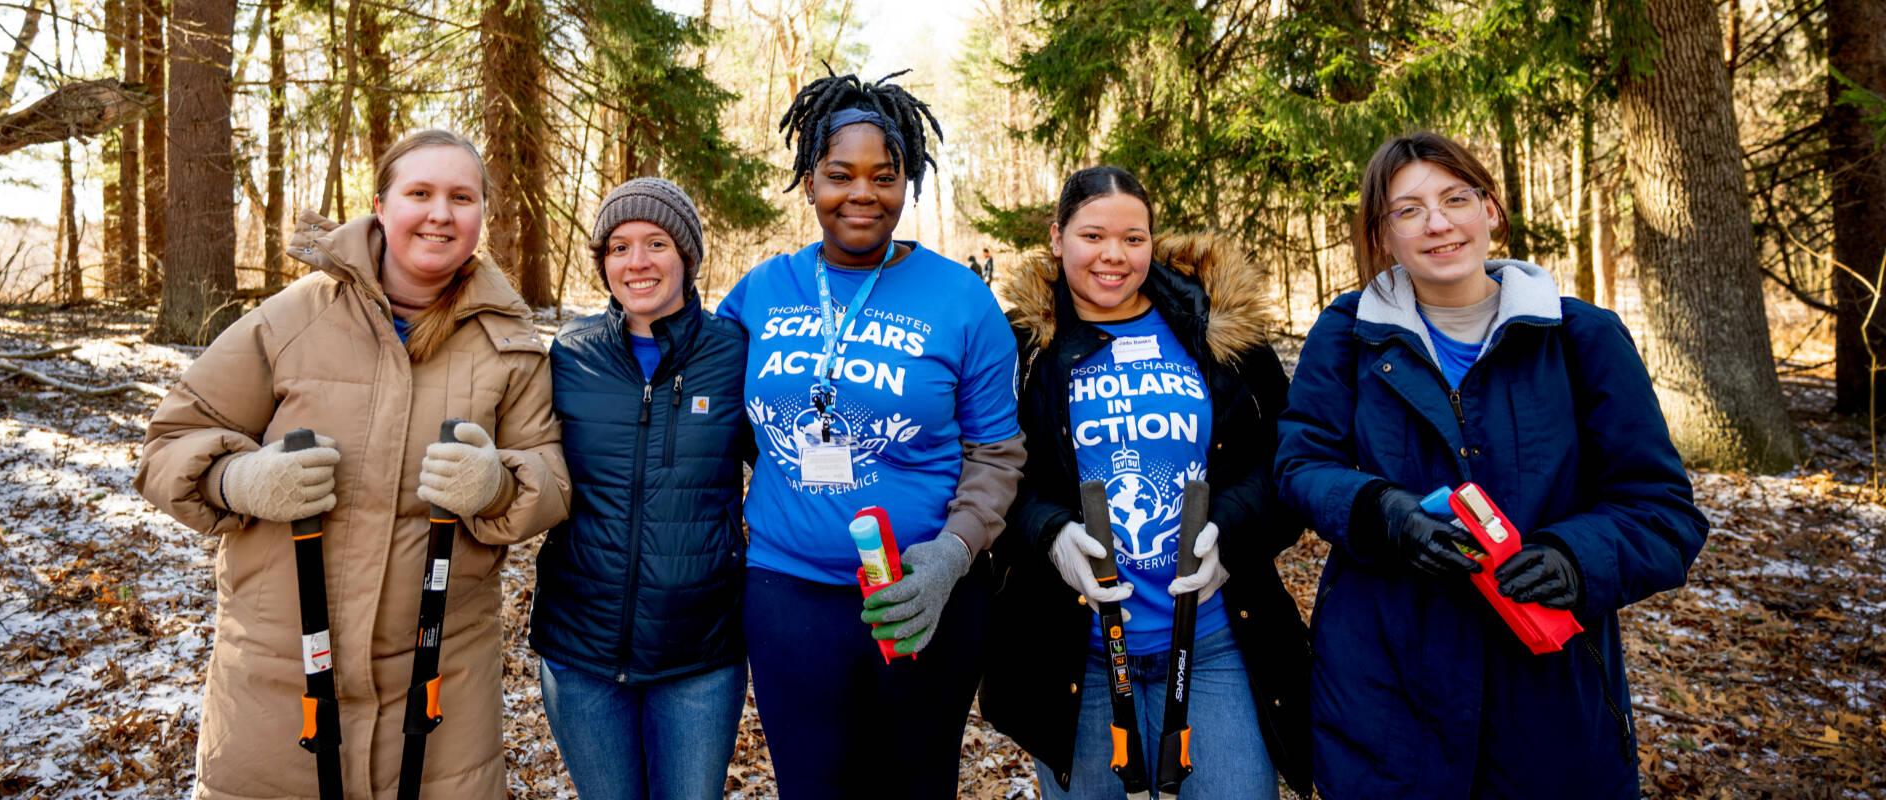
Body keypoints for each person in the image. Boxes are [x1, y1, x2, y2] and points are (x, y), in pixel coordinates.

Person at [136, 129, 572, 798]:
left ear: (482, 213)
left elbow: (551, 478)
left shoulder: (510, 345)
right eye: (419, 193)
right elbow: (169, 443)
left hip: (440, 692)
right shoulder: (290, 320)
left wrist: (496, 486)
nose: (440, 213)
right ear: (379, 205)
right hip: (278, 686)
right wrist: (238, 479)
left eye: (461, 197)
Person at [1275, 131, 1708, 799]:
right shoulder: (1347, 334)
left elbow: (1663, 512)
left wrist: (1573, 558)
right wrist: (1384, 512)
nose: (1439, 223)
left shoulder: (1579, 338)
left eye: (1456, 198)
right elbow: (1301, 466)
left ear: (1492, 211)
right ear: (1382, 234)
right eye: (1409, 209)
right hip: (1385, 692)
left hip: (1549, 700)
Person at [714, 68, 1026, 799]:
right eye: (839, 175)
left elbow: (997, 452)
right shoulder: (761, 291)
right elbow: (704, 412)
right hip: (789, 596)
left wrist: (952, 556)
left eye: (884, 176)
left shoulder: (962, 298)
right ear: (810, 180)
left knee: (914, 787)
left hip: (923, 599)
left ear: (907, 181)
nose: (862, 194)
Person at [980, 166, 1311, 800]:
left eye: (1134, 239)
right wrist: (1049, 535)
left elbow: (1290, 462)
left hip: (1212, 643)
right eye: (1092, 235)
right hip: (1077, 656)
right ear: (1057, 238)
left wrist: (1231, 534)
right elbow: (991, 472)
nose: (1114, 256)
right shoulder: (1022, 348)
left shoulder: (1220, 330)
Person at [528, 177, 751, 800]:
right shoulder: (571, 353)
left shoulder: (734, 352)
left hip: (698, 654)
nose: (638, 262)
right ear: (602, 262)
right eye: (619, 247)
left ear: (687, 255)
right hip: (581, 652)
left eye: (656, 243)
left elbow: (790, 465)